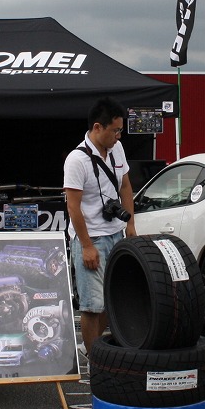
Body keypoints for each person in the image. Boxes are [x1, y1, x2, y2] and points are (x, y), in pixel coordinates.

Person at [64, 98, 136, 352]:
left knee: (113, 300)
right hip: (91, 237)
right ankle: (95, 360)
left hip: (116, 233)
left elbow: (125, 186)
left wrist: (130, 225)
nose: (118, 136)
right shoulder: (76, 160)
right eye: (114, 130)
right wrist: (86, 246)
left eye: (120, 130)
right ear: (97, 127)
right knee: (92, 305)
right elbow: (73, 207)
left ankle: (94, 349)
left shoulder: (117, 149)